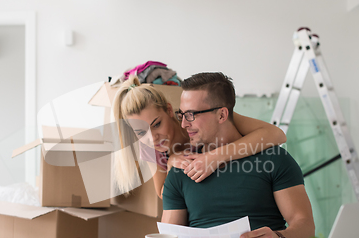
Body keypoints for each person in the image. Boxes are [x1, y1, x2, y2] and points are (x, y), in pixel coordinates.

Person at [161, 72, 315, 238]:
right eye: (182, 115)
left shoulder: (274, 159)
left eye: (191, 115)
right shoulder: (181, 170)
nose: (184, 124)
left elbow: (306, 229)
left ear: (221, 115)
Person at [112, 75, 287, 199]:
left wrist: (214, 157)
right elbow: (163, 194)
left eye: (157, 124)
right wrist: (172, 161)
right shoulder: (150, 148)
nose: (153, 138)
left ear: (169, 110)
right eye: (141, 132)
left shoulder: (200, 118)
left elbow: (276, 134)